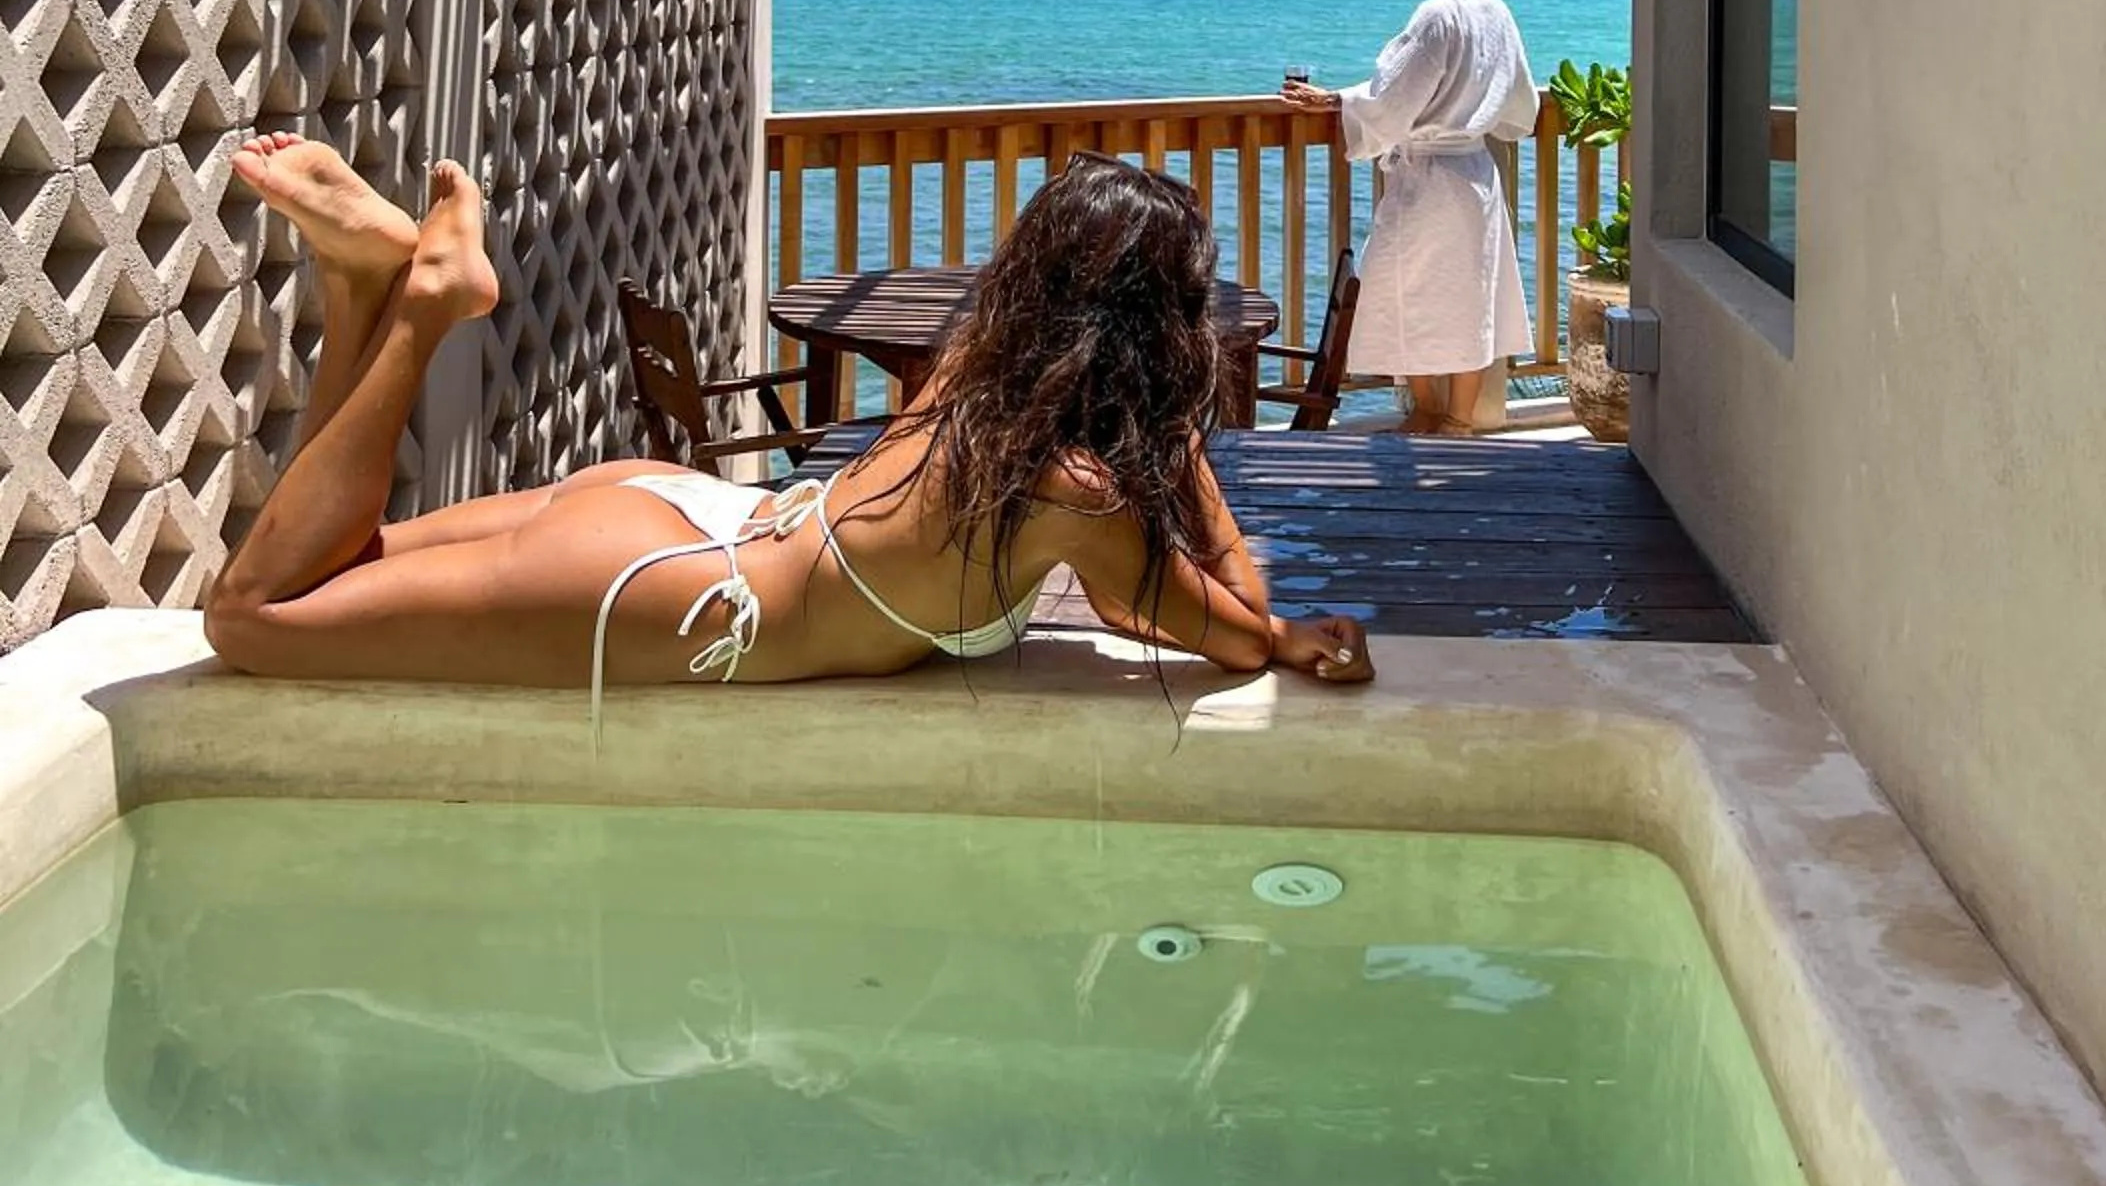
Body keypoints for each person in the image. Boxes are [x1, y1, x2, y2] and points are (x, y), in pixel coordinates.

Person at [207, 139, 1373, 714]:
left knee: (326, 571)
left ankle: (363, 281)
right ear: (1152, 327)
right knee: (256, 620)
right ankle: (423, 308)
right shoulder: (1068, 488)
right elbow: (1234, 628)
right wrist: (1179, 439)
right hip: (685, 595)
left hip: (685, 511)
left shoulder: (978, 377)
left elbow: (1132, 603)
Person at [1283, 0, 1538, 436]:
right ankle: (1458, 420)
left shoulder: (1437, 16)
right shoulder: (1496, 11)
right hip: (1474, 173)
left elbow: (1395, 96)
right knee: (1472, 295)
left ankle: (1427, 412)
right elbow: (1520, 107)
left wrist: (1334, 102)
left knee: (1408, 290)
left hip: (1430, 181)